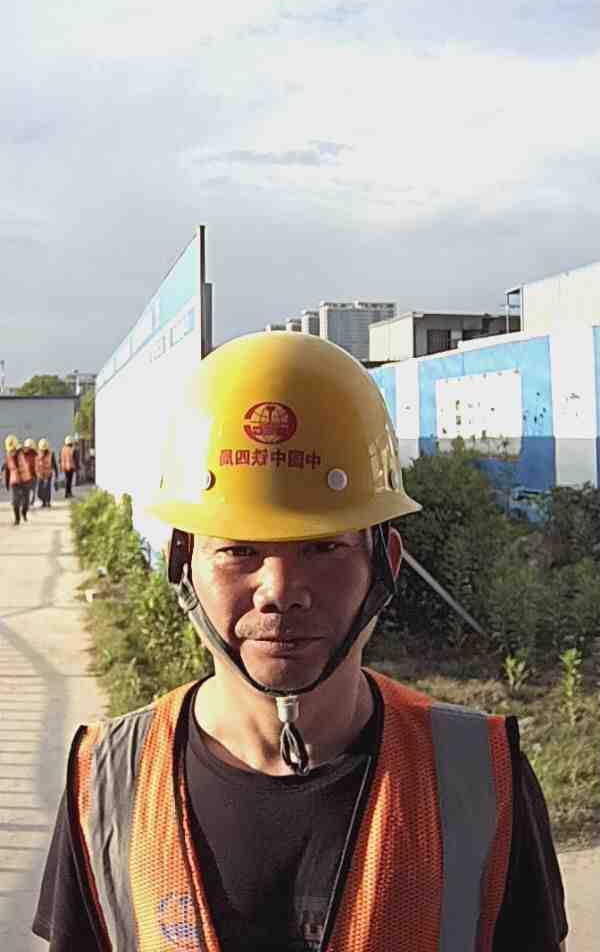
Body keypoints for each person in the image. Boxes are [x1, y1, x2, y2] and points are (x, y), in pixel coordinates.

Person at [32, 333, 568, 951]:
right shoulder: (107, 785)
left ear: (386, 563)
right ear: (181, 563)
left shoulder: (481, 779)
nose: (280, 590)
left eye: (323, 547)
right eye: (239, 550)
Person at [2, 435, 31, 525]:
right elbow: (7, 470)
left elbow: (30, 453)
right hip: (15, 481)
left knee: (26, 502)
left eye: (13, 449)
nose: (12, 452)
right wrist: (7, 483)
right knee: (15, 501)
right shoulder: (8, 457)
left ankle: (24, 512)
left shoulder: (22, 452)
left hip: (25, 479)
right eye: (10, 450)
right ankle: (17, 519)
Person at [36, 438, 58, 508]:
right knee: (40, 490)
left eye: (44, 449)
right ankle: (43, 501)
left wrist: (56, 475)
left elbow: (54, 465)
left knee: (47, 488)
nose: (43, 450)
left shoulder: (51, 454)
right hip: (40, 474)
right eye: (42, 449)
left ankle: (47, 502)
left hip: (48, 474)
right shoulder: (37, 454)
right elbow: (35, 464)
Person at [23, 438, 38, 508]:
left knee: (28, 490)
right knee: (31, 490)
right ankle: (30, 502)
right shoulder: (35, 454)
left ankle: (28, 502)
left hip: (29, 475)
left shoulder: (23, 454)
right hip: (31, 475)